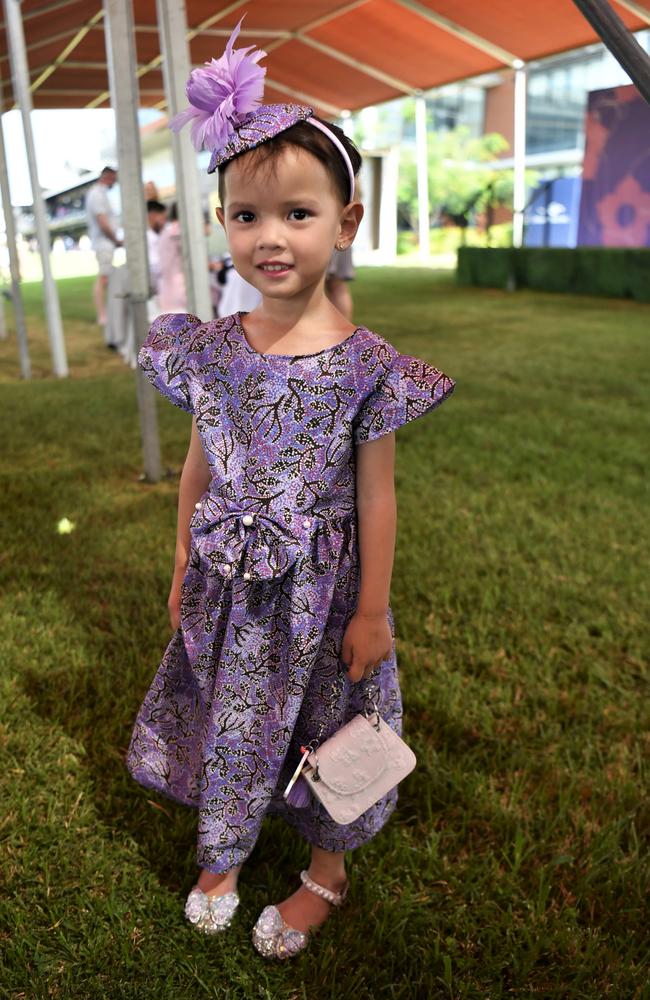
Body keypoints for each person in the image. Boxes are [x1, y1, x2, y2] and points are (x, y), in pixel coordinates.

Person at [126, 20, 455, 961]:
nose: (271, 238)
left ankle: (325, 871)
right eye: (246, 216)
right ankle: (222, 852)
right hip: (233, 581)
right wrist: (185, 551)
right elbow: (202, 461)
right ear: (221, 222)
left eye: (298, 215)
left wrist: (375, 609)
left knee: (331, 723)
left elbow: (379, 496)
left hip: (327, 591)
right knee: (232, 708)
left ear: (344, 223)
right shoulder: (209, 350)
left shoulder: (366, 367)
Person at [85, 166, 121, 326]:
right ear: (108, 177)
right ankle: (102, 316)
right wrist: (115, 239)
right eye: (114, 179)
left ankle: (106, 314)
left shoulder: (100, 193)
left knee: (107, 277)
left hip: (106, 242)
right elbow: (103, 222)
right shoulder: (97, 194)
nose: (115, 182)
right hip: (103, 243)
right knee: (104, 278)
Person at [146, 199, 168, 315]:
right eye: (163, 218)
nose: (165, 222)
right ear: (153, 216)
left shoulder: (157, 235)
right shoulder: (147, 237)